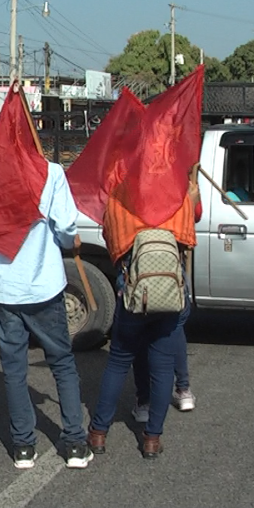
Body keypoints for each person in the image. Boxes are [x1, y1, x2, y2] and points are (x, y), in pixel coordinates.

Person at [0, 161, 94, 470]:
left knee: (14, 370)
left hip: (5, 289)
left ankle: (23, 447)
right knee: (62, 363)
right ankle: (75, 443)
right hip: (44, 285)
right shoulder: (50, 173)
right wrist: (67, 241)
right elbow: (66, 227)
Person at [88, 166, 202, 459]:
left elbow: (109, 234)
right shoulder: (177, 195)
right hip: (168, 293)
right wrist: (192, 189)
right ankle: (152, 438)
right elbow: (193, 222)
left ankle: (98, 433)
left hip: (133, 292)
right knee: (163, 367)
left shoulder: (121, 194)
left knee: (118, 361)